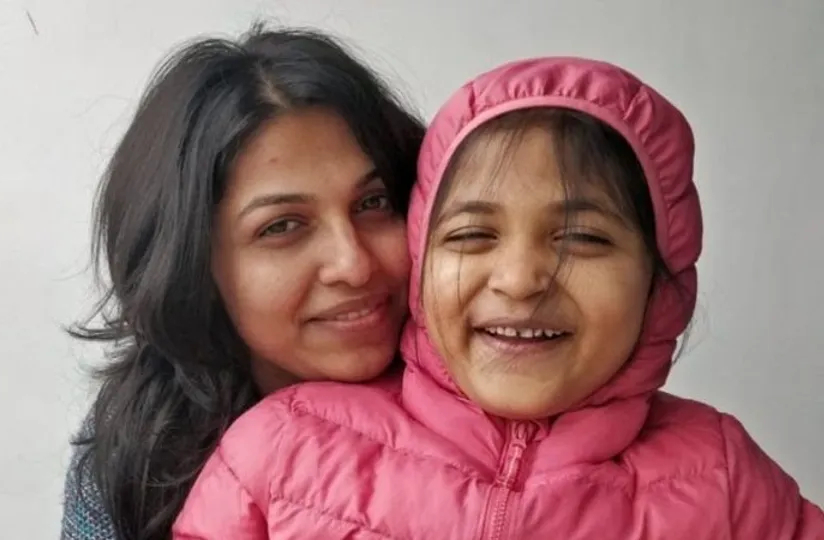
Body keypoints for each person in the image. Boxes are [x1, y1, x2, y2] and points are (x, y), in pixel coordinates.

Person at [172, 57, 824, 538]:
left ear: (661, 283)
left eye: (585, 238)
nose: (519, 279)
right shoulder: (283, 447)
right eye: (473, 233)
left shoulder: (726, 478)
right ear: (424, 258)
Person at [59, 23, 424, 540]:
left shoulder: (509, 399)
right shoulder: (141, 451)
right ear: (191, 263)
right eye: (282, 226)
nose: (354, 263)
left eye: (373, 203)